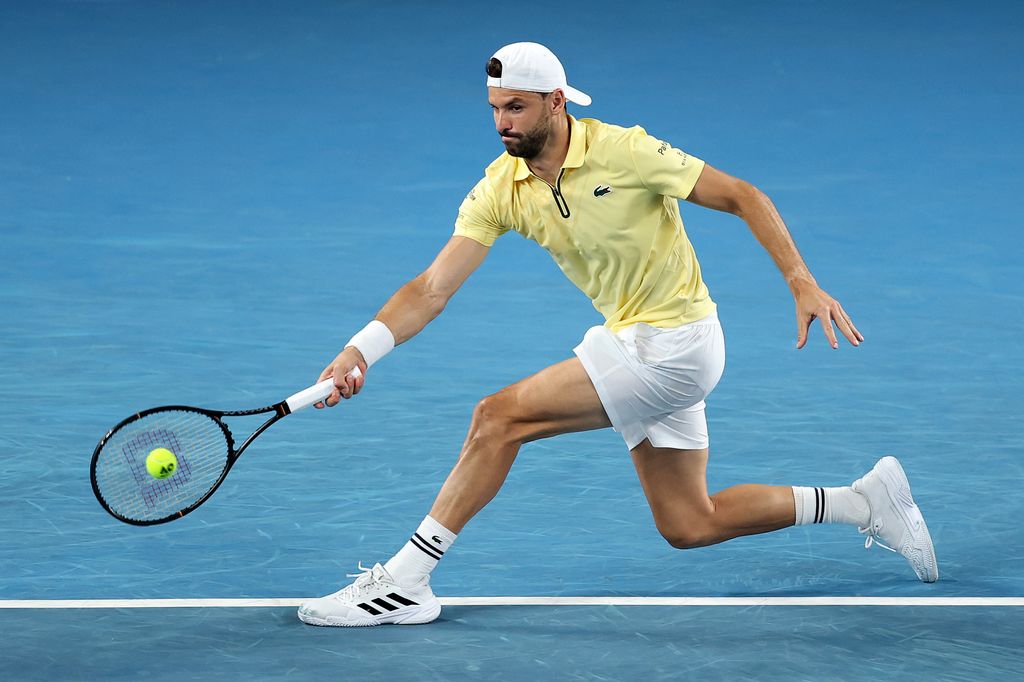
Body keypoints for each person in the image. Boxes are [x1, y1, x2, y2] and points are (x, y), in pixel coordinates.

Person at [297, 42, 937, 628]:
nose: (502, 124)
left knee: (498, 419)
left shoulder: (625, 151)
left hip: (675, 345)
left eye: (516, 107)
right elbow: (431, 289)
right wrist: (363, 349)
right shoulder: (502, 188)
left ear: (555, 102)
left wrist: (801, 281)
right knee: (689, 522)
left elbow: (742, 194)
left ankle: (406, 580)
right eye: (494, 109)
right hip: (633, 340)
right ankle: (862, 502)